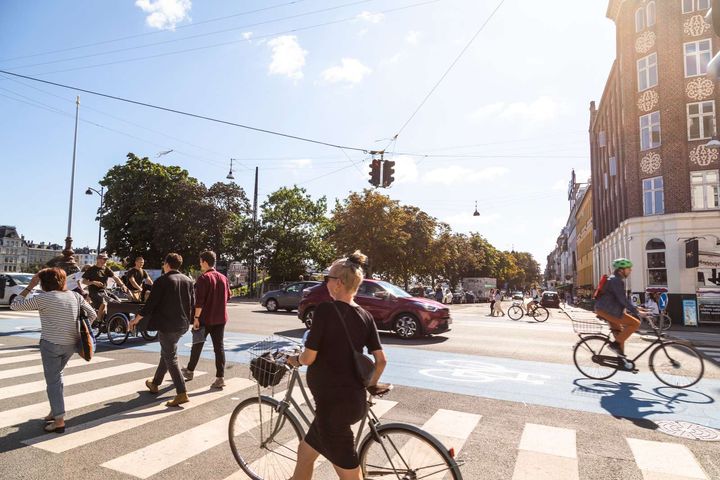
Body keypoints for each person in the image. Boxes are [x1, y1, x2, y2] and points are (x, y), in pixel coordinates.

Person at [287, 251, 387, 480]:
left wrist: (295, 359)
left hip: (333, 409)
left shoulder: (325, 311)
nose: (326, 282)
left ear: (339, 283)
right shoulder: (365, 315)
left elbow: (309, 357)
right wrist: (369, 385)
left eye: (328, 278)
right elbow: (381, 360)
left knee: (351, 476)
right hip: (351, 401)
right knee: (305, 453)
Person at [10, 268, 97, 433]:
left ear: (44, 282)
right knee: (58, 376)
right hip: (71, 344)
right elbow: (92, 315)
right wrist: (80, 331)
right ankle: (55, 410)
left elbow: (15, 305)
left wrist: (30, 286)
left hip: (51, 345)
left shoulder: (43, 298)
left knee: (53, 381)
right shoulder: (75, 296)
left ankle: (59, 421)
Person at [129, 253, 194, 407]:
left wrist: (136, 319)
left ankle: (182, 392)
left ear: (167, 264)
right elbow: (192, 302)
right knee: (167, 352)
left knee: (170, 357)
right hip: (182, 324)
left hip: (167, 325)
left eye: (164, 263)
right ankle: (155, 383)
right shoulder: (188, 280)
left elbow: (150, 304)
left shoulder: (163, 281)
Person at [182, 251, 230, 389]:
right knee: (219, 348)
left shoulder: (203, 278)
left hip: (204, 318)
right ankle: (220, 377)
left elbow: (199, 302)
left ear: (204, 262)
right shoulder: (223, 278)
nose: (199, 264)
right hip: (220, 318)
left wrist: (196, 318)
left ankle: (190, 371)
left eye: (200, 261)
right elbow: (228, 297)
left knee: (197, 345)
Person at [594, 258, 649, 367]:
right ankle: (614, 346)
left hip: (607, 309)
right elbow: (622, 299)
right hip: (608, 310)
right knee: (635, 323)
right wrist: (637, 313)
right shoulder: (616, 280)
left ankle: (621, 361)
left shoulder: (615, 279)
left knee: (620, 335)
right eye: (628, 269)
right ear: (621, 270)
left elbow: (621, 299)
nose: (630, 271)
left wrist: (637, 308)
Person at [82, 253, 129, 322]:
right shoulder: (91, 269)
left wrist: (122, 285)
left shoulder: (106, 269)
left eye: (106, 259)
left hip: (104, 291)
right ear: (98, 260)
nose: (104, 261)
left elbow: (115, 277)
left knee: (118, 301)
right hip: (94, 292)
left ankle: (109, 318)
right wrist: (93, 282)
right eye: (103, 259)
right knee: (103, 303)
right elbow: (84, 281)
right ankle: (98, 320)